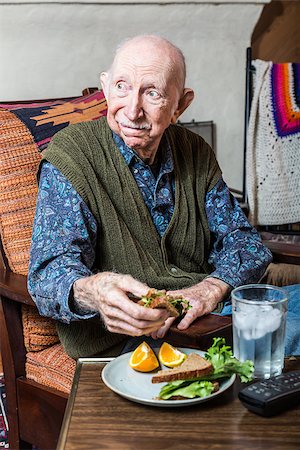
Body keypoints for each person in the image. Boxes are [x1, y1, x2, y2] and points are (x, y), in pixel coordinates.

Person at [28, 35, 272, 358]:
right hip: (127, 341)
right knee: (283, 335)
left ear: (180, 106)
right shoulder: (73, 156)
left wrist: (209, 289)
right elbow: (49, 273)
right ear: (105, 87)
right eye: (121, 87)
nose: (132, 110)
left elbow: (246, 244)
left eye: (152, 93)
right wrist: (96, 292)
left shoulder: (195, 152)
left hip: (210, 320)